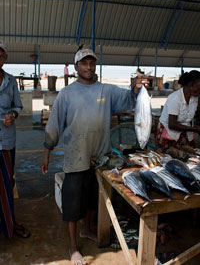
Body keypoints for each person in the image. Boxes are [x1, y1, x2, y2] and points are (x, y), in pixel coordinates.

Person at [41, 47, 147, 265]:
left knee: (93, 199)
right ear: (76, 67)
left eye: (92, 63)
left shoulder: (106, 91)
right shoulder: (66, 94)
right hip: (75, 157)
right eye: (84, 63)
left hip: (100, 158)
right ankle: (72, 247)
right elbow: (53, 127)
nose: (88, 67)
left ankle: (86, 230)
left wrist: (137, 89)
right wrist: (46, 153)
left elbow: (129, 98)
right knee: (72, 203)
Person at [0, 41, 30, 238]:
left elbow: (18, 106)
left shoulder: (10, 81)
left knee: (7, 182)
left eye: (0, 55)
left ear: (5, 59)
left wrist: (12, 114)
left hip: (6, 140)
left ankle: (9, 223)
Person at [156, 70, 200, 152]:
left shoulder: (194, 97)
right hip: (169, 131)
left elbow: (193, 112)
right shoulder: (175, 98)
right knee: (169, 157)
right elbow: (172, 124)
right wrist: (194, 129)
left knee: (189, 156)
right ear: (191, 85)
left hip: (184, 130)